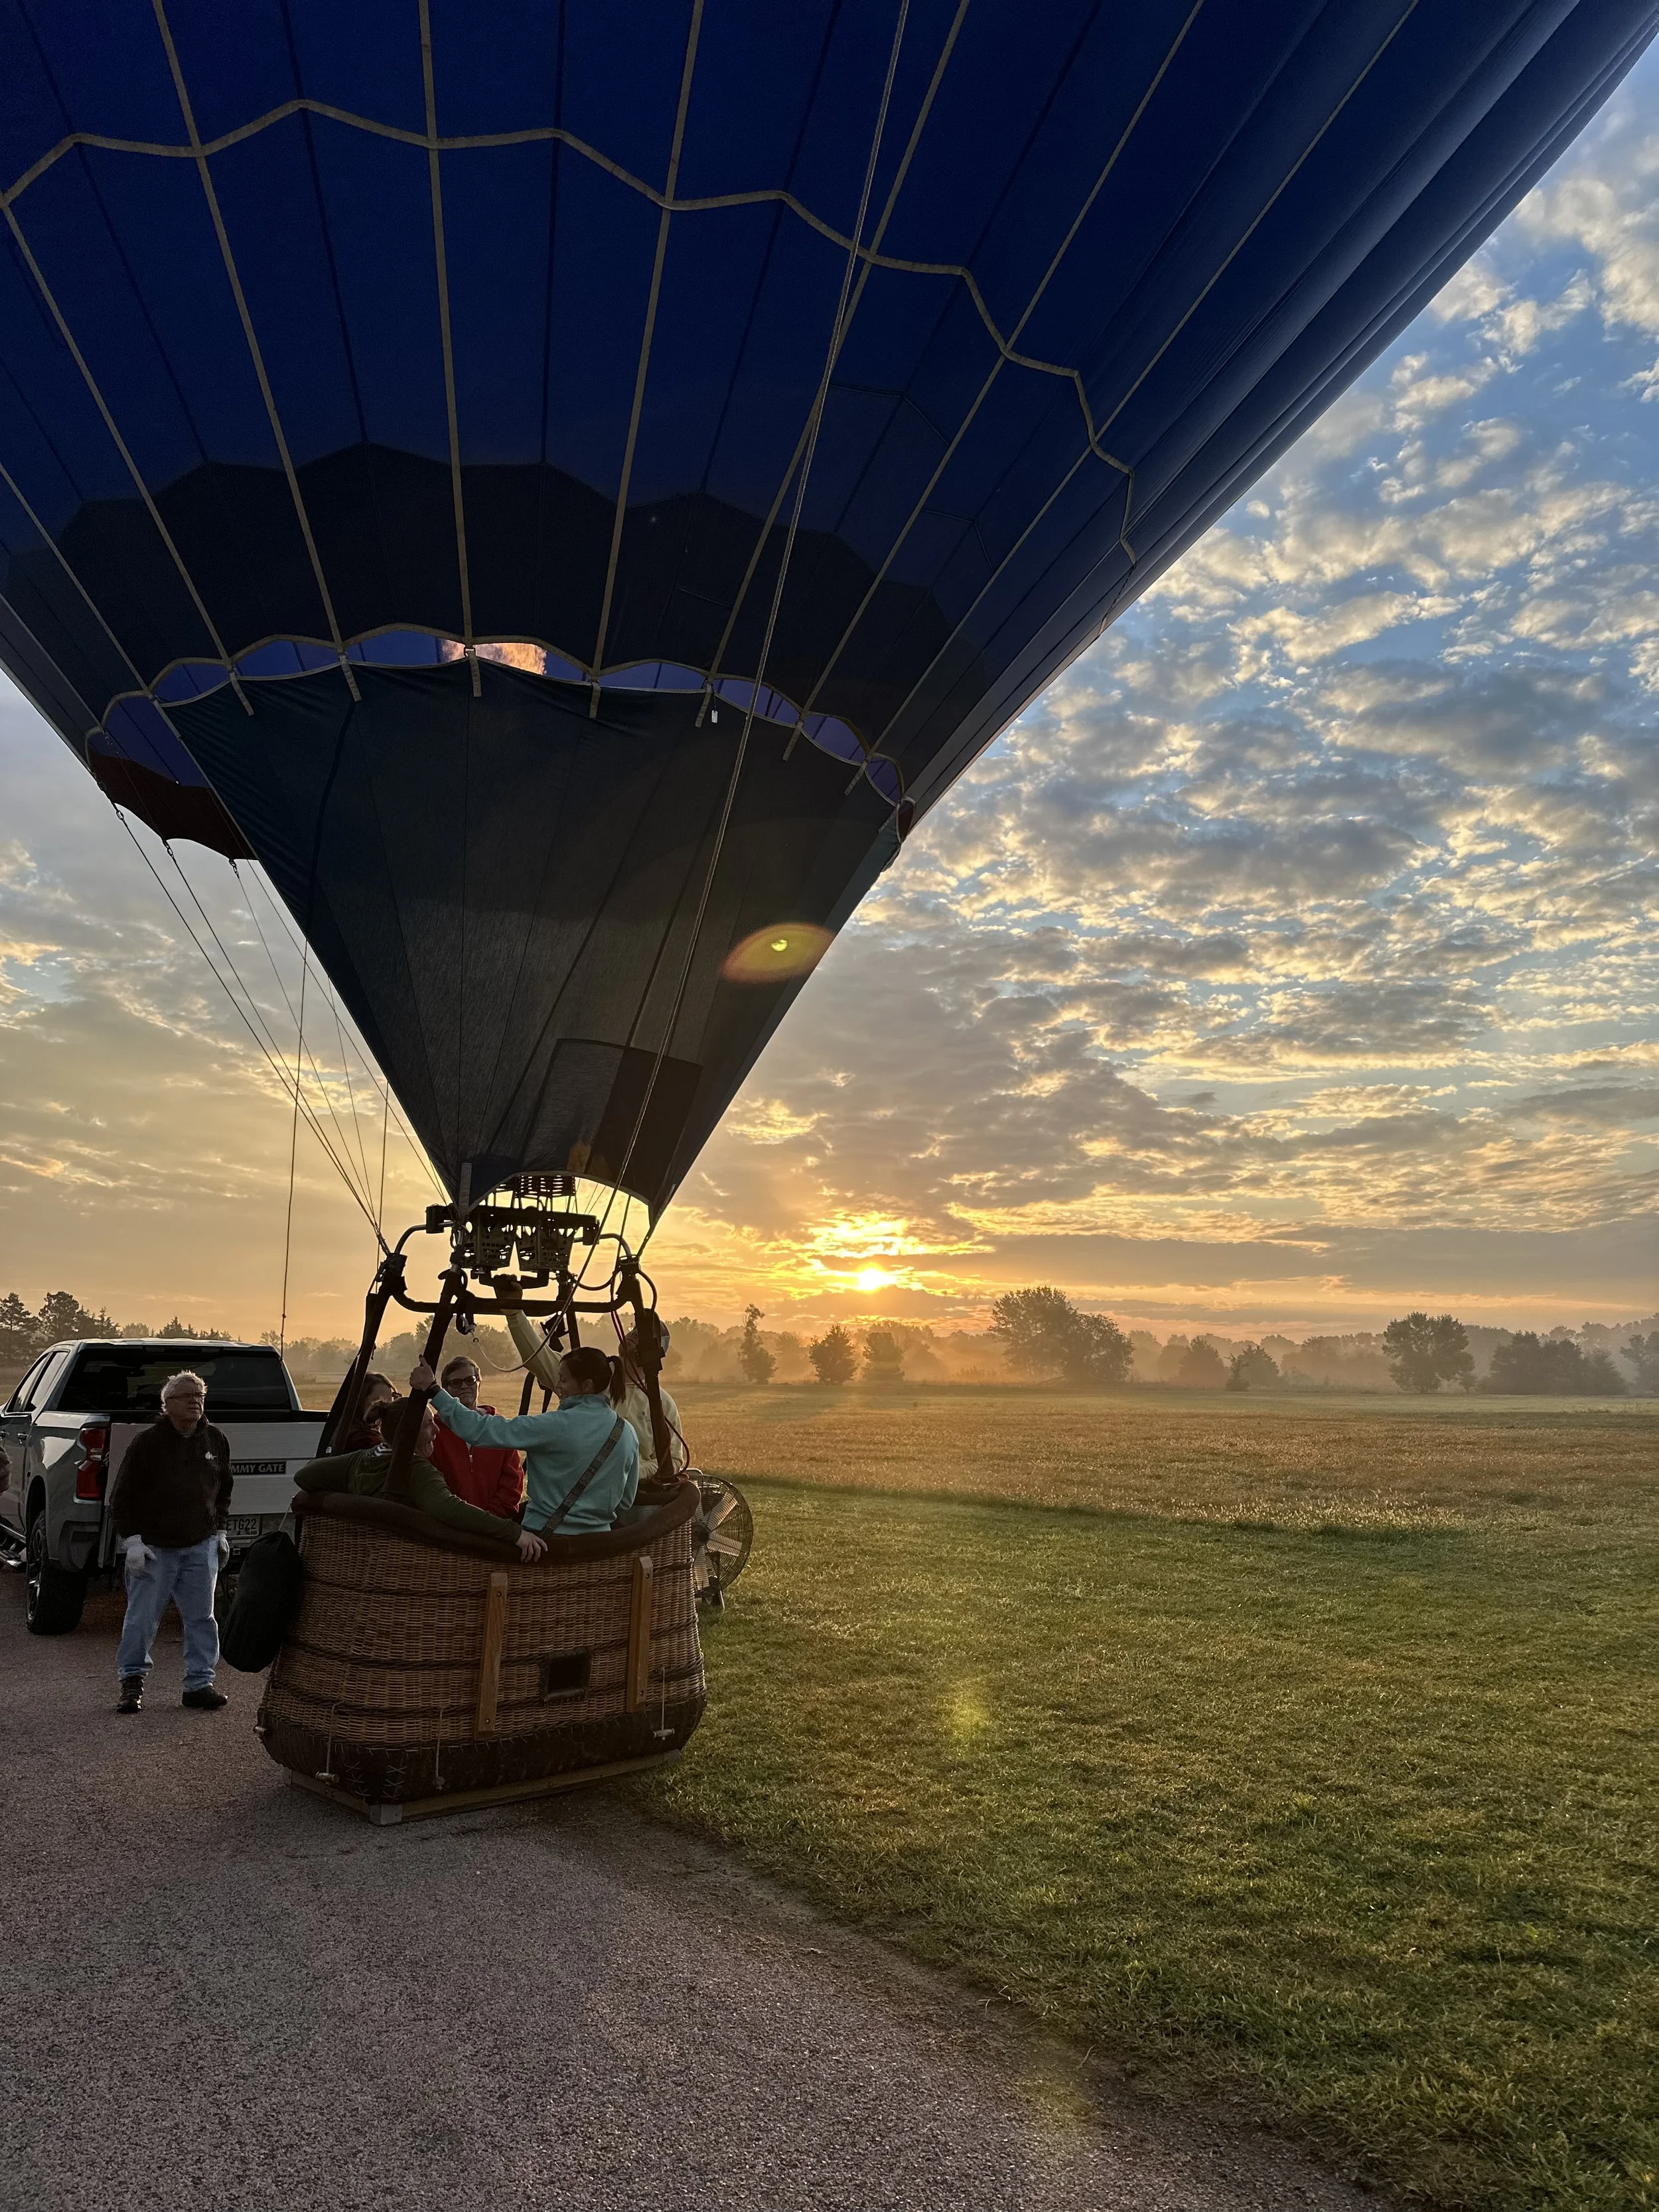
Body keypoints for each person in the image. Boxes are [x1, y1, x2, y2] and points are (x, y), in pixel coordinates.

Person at [411, 1344, 638, 1537]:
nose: (558, 1386)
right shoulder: (627, 1432)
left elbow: (480, 1430)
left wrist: (434, 1391)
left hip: (545, 1540)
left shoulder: (553, 1426)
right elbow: (626, 1501)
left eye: (564, 1380)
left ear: (587, 1386)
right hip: (599, 1543)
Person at [111, 1370, 232, 1716]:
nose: (195, 1402)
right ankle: (131, 1683)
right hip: (155, 1548)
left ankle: (199, 1684)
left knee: (202, 1619)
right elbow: (122, 1496)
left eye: (200, 1396)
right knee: (141, 1619)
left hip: (200, 1546)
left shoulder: (215, 1440)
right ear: (167, 1404)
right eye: (187, 1396)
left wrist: (219, 1531)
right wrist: (132, 1540)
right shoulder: (147, 1443)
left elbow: (223, 1490)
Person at [293, 1396, 546, 1558]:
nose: (437, 1429)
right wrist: (514, 1533)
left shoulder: (363, 1459)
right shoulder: (416, 1470)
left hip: (366, 1555)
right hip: (413, 1563)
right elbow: (449, 1508)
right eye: (428, 1425)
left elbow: (306, 1476)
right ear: (407, 1432)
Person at [428, 1355, 526, 1516]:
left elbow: (513, 1482)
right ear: (445, 1390)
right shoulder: (433, 1431)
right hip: (449, 1523)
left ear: (479, 1383)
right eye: (456, 1383)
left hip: (495, 1525)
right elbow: (431, 1483)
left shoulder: (497, 1429)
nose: (464, 1386)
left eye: (470, 1380)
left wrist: (489, 1519)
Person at [611, 1327, 689, 1483]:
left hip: (636, 1491)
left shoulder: (663, 1403)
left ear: (655, 1353)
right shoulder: (592, 1381)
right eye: (634, 1329)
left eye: (643, 1334)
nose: (634, 1333)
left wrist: (635, 1473)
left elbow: (673, 1460)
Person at [340, 1370, 396, 1451]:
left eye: (389, 1401)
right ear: (360, 1401)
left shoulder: (348, 1430)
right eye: (378, 1401)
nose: (385, 1407)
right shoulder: (363, 1440)